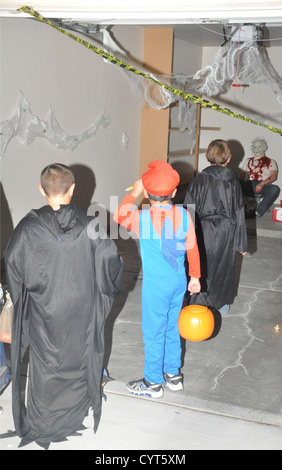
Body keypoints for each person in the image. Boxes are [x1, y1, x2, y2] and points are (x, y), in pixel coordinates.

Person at [4, 163, 123, 448]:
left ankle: (45, 421)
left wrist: (22, 290)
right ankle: (74, 411)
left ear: (41, 190)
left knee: (47, 361)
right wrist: (110, 282)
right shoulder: (91, 224)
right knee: (79, 353)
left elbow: (12, 262)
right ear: (72, 189)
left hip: (46, 307)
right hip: (82, 305)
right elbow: (110, 262)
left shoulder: (29, 226)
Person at [114, 160, 201, 398]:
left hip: (156, 287)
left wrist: (135, 191)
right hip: (179, 281)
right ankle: (173, 375)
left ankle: (153, 382)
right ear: (174, 192)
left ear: (148, 194)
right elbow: (192, 248)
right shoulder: (184, 214)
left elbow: (120, 215)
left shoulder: (142, 219)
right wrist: (195, 276)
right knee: (173, 327)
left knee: (153, 332)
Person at [184, 140, 247, 314]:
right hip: (226, 229)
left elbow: (189, 208)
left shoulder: (199, 180)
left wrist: (184, 235)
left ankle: (198, 304)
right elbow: (238, 211)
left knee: (201, 264)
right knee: (224, 267)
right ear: (228, 158)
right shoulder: (233, 181)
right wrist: (240, 243)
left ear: (208, 157)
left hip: (203, 230)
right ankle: (222, 304)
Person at [239, 138, 280, 217]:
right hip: (248, 184)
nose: (256, 149)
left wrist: (261, 184)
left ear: (265, 148)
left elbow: (273, 177)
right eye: (254, 147)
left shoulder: (271, 162)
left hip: (263, 185)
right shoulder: (248, 160)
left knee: (275, 189)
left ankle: (258, 211)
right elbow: (241, 175)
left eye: (259, 147)